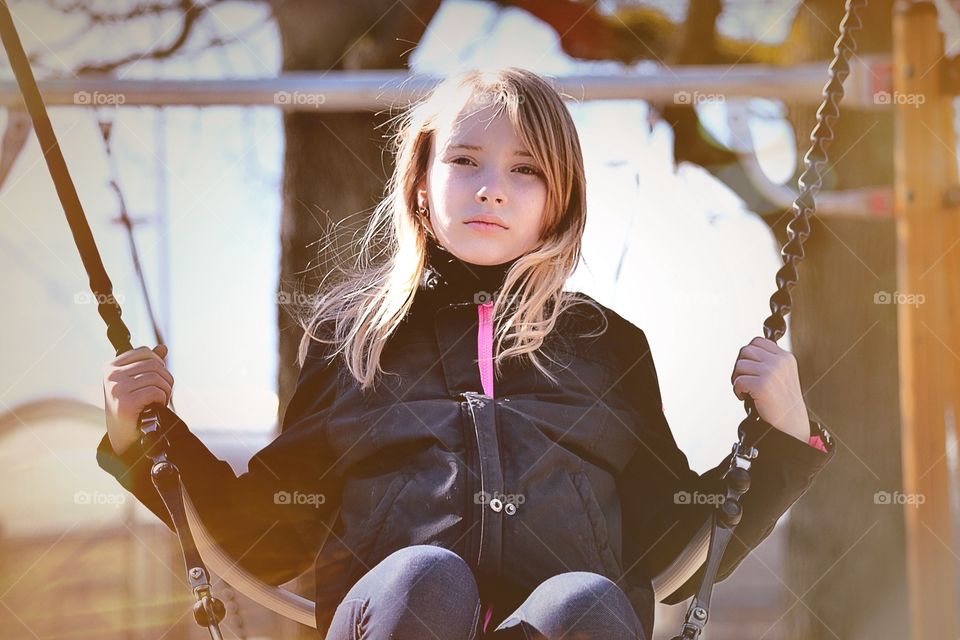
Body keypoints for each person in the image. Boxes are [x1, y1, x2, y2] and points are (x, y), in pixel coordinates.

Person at [98, 67, 835, 640]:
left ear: (560, 201)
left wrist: (779, 438)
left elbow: (673, 546)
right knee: (428, 579)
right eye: (466, 161)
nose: (491, 190)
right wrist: (145, 443)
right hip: (397, 615)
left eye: (526, 170)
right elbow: (267, 533)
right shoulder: (356, 339)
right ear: (420, 184)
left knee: (584, 600)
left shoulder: (605, 348)